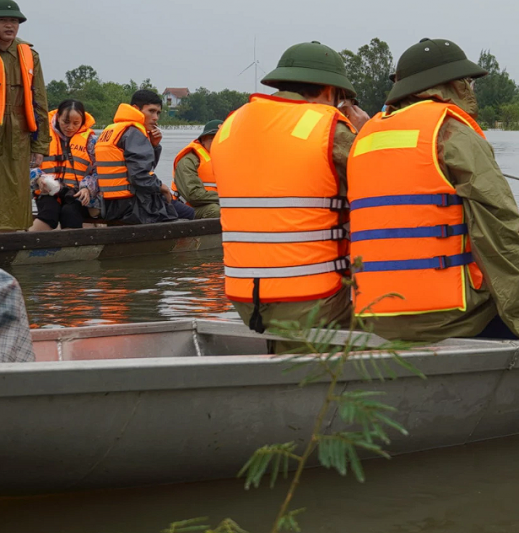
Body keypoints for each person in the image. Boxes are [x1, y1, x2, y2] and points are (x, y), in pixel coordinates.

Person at [347, 38, 519, 363]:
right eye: (467, 81)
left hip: (372, 317)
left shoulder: (362, 139)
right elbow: (498, 234)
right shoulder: (451, 132)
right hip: (446, 316)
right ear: (447, 85)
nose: (471, 89)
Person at [212, 41, 370, 337]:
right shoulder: (330, 128)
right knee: (393, 306)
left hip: (244, 299)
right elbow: (381, 188)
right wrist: (366, 131)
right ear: (327, 90)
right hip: (315, 297)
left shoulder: (230, 125)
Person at [0, 0, 50, 233]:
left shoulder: (29, 55)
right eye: (4, 20)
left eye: (14, 21)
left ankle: (4, 249)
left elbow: (39, 103)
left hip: (17, 133)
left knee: (12, 196)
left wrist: (40, 145)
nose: (10, 25)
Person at [94, 89, 193, 224]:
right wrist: (162, 187)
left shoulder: (112, 130)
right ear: (135, 109)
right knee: (191, 214)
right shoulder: (134, 133)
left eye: (158, 113)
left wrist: (153, 146)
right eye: (151, 111)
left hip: (112, 206)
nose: (155, 117)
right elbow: (139, 176)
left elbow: (141, 168)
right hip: (134, 206)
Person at [30, 99, 97, 231]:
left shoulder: (90, 140)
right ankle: (26, 246)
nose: (70, 127)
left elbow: (97, 171)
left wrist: (87, 188)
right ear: (58, 117)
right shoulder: (41, 137)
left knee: (71, 213)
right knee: (49, 211)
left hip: (76, 193)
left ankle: (71, 250)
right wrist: (38, 178)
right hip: (47, 191)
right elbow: (26, 165)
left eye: (76, 123)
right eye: (66, 122)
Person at [172, 119, 222, 219]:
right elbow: (193, 196)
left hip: (219, 202)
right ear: (203, 140)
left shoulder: (230, 160)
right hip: (187, 208)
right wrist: (227, 199)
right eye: (213, 138)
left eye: (221, 138)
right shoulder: (188, 161)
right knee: (216, 211)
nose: (217, 142)